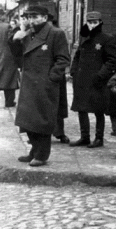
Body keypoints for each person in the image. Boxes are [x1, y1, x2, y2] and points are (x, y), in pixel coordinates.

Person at [9, 5, 70, 167]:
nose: (32, 20)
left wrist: (51, 78)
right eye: (29, 17)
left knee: (42, 120)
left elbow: (63, 59)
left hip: (45, 84)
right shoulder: (29, 34)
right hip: (29, 83)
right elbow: (17, 57)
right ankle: (34, 151)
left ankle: (42, 155)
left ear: (45, 17)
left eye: (36, 16)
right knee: (28, 120)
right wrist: (16, 39)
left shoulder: (56, 33)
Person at [69, 11, 116, 148]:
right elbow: (77, 55)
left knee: (98, 110)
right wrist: (73, 71)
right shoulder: (84, 37)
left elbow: (112, 60)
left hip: (97, 81)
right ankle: (84, 137)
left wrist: (100, 75)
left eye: (94, 22)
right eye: (90, 22)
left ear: (100, 23)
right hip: (81, 79)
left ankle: (99, 138)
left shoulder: (107, 39)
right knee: (81, 108)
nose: (92, 25)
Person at [0, 8, 20, 108]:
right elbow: (12, 41)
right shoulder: (7, 26)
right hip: (8, 56)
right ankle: (9, 102)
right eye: (3, 15)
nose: (5, 16)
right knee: (10, 79)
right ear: (0, 16)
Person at [47, 13, 70, 144]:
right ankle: (41, 134)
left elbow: (63, 57)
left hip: (55, 76)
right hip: (42, 76)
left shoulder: (58, 33)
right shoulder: (35, 34)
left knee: (57, 105)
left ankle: (59, 133)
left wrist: (55, 74)